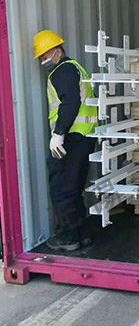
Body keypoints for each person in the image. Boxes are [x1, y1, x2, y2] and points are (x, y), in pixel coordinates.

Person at [33, 30, 98, 252]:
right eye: (41, 58)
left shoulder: (63, 71)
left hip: (71, 138)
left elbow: (70, 103)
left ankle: (68, 237)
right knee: (73, 188)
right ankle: (81, 234)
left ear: (58, 51)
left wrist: (59, 133)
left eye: (45, 56)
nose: (43, 61)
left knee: (61, 189)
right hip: (84, 136)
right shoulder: (75, 67)